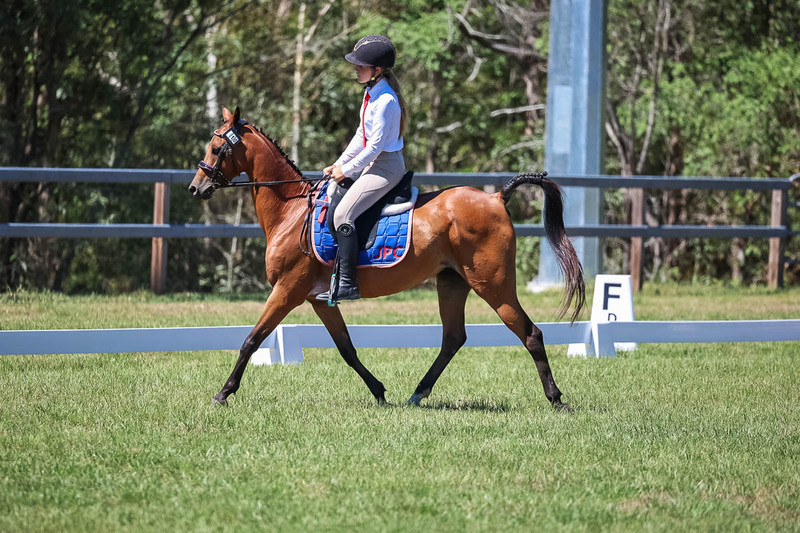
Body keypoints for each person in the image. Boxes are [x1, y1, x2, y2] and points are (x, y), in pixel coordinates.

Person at [318, 35, 409, 302]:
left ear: (377, 70)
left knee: (343, 215)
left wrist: (346, 170)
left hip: (386, 167)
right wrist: (339, 163)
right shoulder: (371, 93)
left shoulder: (386, 101)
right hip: (371, 162)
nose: (356, 68)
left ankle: (347, 283)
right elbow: (361, 136)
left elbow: (375, 148)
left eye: (361, 65)